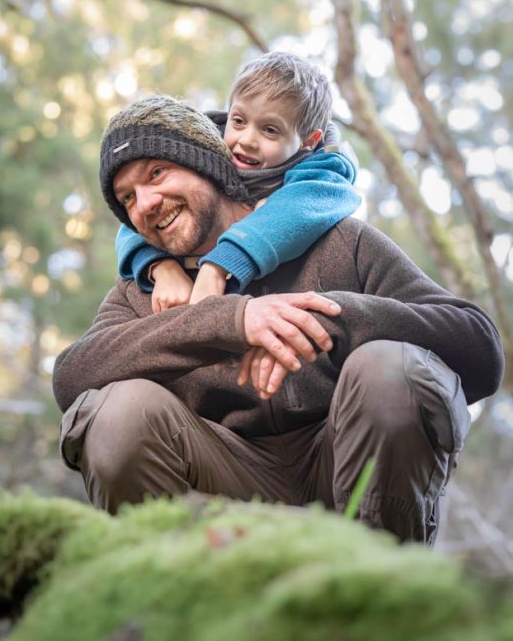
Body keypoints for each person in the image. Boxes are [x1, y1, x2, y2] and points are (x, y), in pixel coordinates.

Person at [53, 95, 504, 544]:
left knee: (391, 369)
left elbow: (479, 349)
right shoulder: (142, 289)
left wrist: (327, 320)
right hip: (223, 498)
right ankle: (194, 600)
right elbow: (72, 375)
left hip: (351, 474)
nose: (146, 204)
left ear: (208, 163)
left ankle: (379, 590)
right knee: (116, 415)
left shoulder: (338, 241)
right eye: (127, 198)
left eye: (157, 173)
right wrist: (230, 320)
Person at [115, 52, 360, 313]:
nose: (246, 140)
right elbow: (139, 220)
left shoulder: (322, 172)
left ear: (308, 140)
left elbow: (302, 205)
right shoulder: (203, 151)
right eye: (239, 121)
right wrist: (162, 268)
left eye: (270, 130)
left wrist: (218, 267)